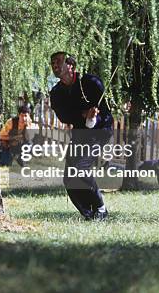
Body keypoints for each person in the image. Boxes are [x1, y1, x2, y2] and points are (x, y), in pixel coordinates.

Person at [49, 52, 113, 220]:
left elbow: (106, 113)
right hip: (80, 133)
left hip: (100, 131)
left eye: (59, 61)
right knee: (69, 177)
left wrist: (94, 118)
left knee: (80, 168)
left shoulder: (91, 83)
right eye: (52, 62)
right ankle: (88, 212)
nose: (55, 65)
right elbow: (64, 117)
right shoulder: (56, 93)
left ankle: (101, 208)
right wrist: (84, 115)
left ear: (71, 65)